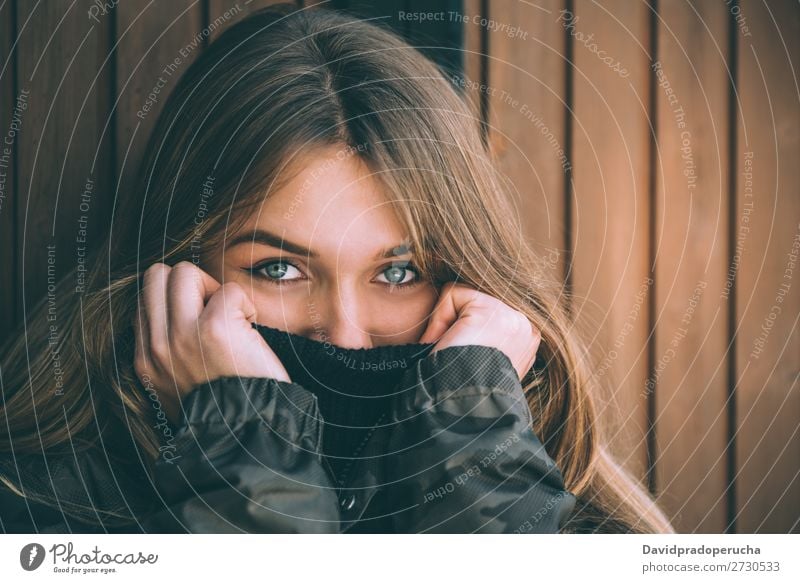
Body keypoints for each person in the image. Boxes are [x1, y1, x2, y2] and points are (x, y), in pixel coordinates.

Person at [0, 3, 674, 534]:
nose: (346, 335)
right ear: (176, 276)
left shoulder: (580, 530)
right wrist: (250, 458)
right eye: (280, 269)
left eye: (400, 271)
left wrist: (473, 450)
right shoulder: (40, 518)